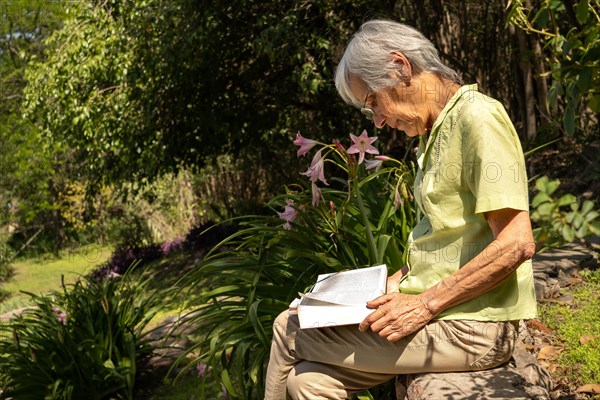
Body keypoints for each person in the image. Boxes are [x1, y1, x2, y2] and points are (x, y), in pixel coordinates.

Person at [264, 19, 537, 400]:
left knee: (287, 328)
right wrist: (384, 286)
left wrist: (425, 303)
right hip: (449, 317)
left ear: (400, 67)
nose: (376, 119)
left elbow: (516, 244)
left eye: (373, 101)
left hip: (475, 326)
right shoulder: (436, 132)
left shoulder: (478, 119)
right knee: (308, 381)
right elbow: (445, 242)